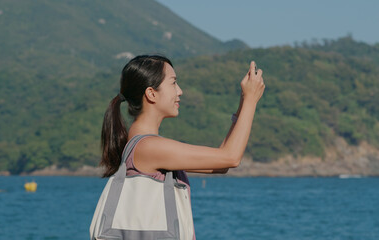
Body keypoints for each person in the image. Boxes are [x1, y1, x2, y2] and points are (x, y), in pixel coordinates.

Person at [99, 55, 264, 238]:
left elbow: (221, 164)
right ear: (151, 93)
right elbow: (231, 157)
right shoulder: (149, 146)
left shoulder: (145, 145)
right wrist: (250, 100)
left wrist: (243, 104)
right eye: (173, 83)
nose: (180, 91)